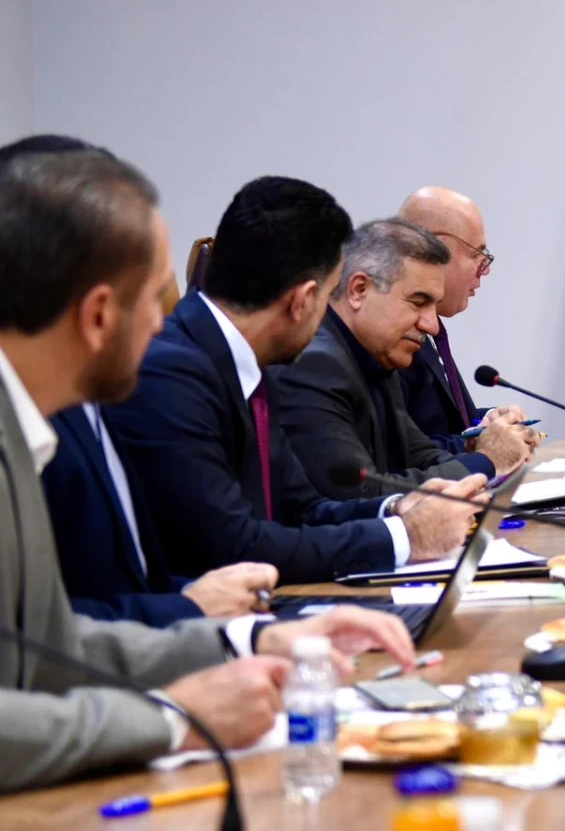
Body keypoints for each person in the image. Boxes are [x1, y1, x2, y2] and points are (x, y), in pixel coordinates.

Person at [0, 135, 429, 791]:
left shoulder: (28, 424)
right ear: (98, 316)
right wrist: (175, 721)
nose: (164, 323)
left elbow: (44, 646)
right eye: (155, 297)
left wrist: (248, 641)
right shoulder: (157, 376)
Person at [106, 178, 483, 584]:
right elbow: (234, 545)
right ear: (303, 300)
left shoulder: (249, 362)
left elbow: (303, 509)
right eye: (329, 297)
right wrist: (402, 538)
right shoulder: (172, 373)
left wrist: (395, 510)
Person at [277, 218, 533, 500]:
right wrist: (488, 462)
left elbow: (419, 455)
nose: (431, 325)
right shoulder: (313, 365)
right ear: (359, 290)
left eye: (433, 305)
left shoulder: (378, 357)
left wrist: (486, 450)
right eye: (418, 302)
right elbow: (361, 492)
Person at [43, 403, 279, 625]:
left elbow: (137, 583)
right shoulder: (43, 420)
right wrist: (187, 607)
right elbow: (38, 625)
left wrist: (205, 592)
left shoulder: (94, 411)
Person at [395, 187, 524, 451]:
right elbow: (401, 453)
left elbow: (443, 425)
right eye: (477, 255)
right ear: (432, 251)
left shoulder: (424, 327)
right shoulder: (392, 337)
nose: (484, 271)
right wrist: (481, 443)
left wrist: (491, 422)